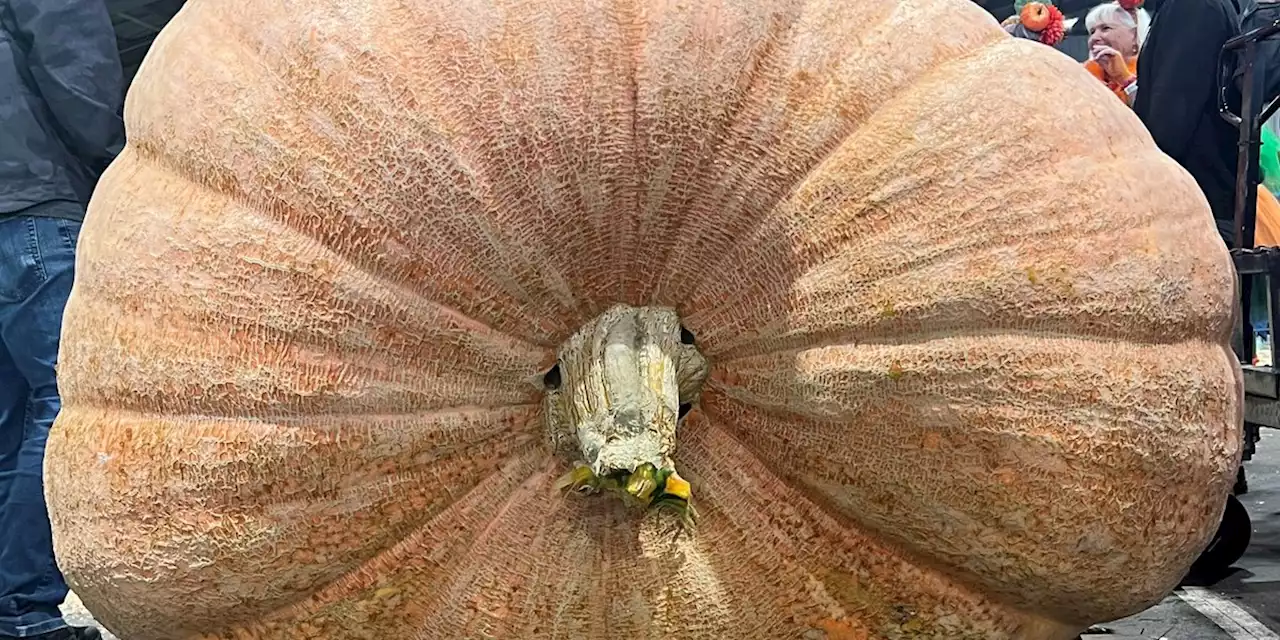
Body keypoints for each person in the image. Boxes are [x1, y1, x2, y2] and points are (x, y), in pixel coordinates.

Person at [0, 0, 125, 638]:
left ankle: (12, 604)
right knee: (67, 398)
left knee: (11, 417)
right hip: (32, 204)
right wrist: (128, 173)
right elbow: (79, 71)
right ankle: (23, 608)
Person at [1134, 0, 1242, 247]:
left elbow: (1173, 108)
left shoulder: (1193, 6)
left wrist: (1140, 184)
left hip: (1190, 205)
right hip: (1199, 199)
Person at [1083, 3, 1148, 105]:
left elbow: (1152, 114)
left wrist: (1125, 80)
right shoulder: (1081, 73)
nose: (1094, 38)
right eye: (1092, 32)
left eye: (1105, 28)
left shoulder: (1153, 73)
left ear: (1134, 35)